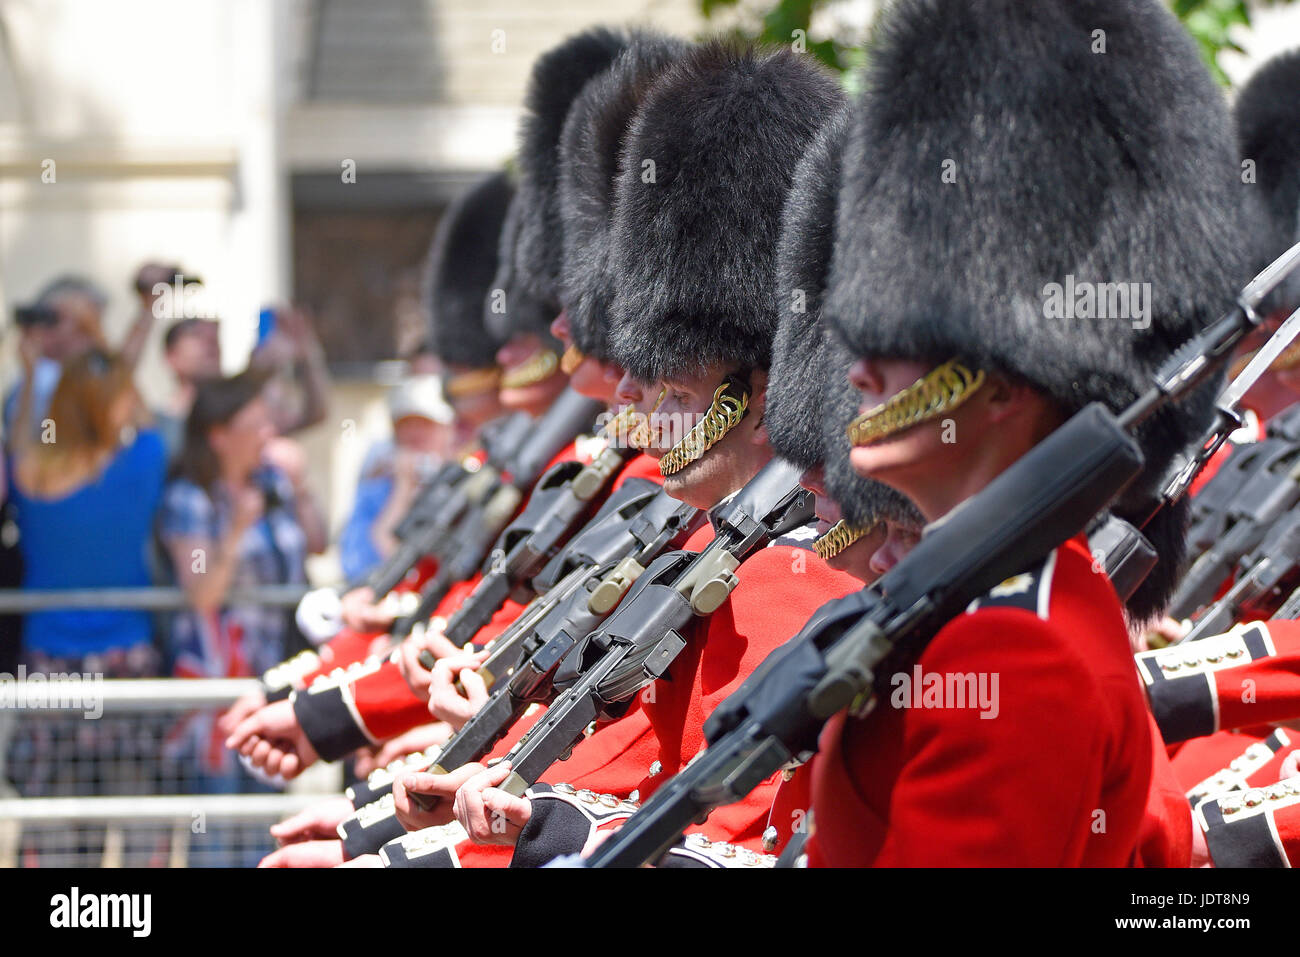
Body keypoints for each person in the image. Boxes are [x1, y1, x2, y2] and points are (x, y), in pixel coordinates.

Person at [803, 0, 1251, 867]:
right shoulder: (1011, 601)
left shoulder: (1013, 647)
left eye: (903, 339)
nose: (859, 370)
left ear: (1004, 378)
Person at [158, 369, 327, 679]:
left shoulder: (272, 482)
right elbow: (201, 590)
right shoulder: (191, 499)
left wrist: (301, 485)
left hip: (287, 658)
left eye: (268, 423)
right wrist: (235, 531)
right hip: (228, 673)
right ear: (219, 437)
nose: (268, 434)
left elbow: (318, 544)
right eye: (256, 425)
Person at [7, 347, 166, 672]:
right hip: (126, 649)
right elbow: (145, 419)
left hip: (48, 652)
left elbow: (18, 441)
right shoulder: (141, 461)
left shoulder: (30, 473)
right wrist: (100, 342)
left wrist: (31, 376)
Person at [337, 374, 455, 583]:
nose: (414, 434)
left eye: (425, 424)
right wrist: (403, 490)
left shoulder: (460, 485)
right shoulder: (375, 490)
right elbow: (359, 564)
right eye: (405, 425)